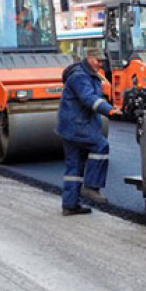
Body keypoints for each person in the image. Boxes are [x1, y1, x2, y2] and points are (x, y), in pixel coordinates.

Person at [57, 46, 122, 216]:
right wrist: (109, 110)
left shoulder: (90, 74)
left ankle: (69, 205)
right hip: (77, 125)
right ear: (89, 57)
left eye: (102, 61)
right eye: (98, 60)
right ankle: (92, 187)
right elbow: (89, 98)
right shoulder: (80, 76)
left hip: (70, 126)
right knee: (101, 146)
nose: (100, 64)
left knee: (74, 166)